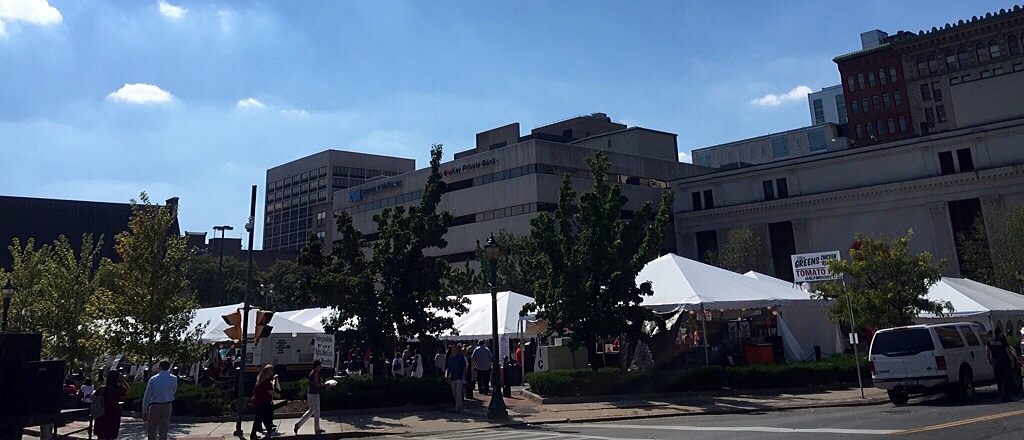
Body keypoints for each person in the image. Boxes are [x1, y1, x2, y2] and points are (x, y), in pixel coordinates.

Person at [142, 360, 178, 440]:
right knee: (164, 429)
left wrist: (144, 411)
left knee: (152, 429)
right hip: (167, 405)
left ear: (160, 367)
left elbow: (147, 395)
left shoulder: (153, 379)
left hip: (155, 405)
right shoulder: (174, 378)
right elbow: (173, 390)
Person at [92, 370, 129, 440]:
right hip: (114, 414)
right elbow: (128, 390)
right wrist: (123, 381)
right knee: (111, 435)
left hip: (102, 413)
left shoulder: (102, 389)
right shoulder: (119, 389)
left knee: (101, 435)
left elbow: (92, 397)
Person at [294, 360, 327, 435]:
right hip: (315, 393)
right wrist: (325, 385)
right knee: (317, 412)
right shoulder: (316, 373)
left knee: (311, 410)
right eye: (319, 366)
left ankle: (298, 424)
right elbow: (317, 384)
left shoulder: (311, 372)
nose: (320, 367)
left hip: (309, 393)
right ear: (317, 366)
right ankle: (317, 429)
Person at [250, 364, 280, 440]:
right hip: (263, 402)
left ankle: (269, 430)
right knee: (259, 418)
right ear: (268, 372)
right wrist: (277, 395)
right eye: (272, 370)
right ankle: (253, 434)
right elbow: (271, 391)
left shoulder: (260, 381)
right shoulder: (266, 382)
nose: (273, 372)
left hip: (259, 401)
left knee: (263, 417)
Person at [988, 327, 1018, 402]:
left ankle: (1001, 395)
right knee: (1006, 380)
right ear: (1000, 333)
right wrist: (1012, 360)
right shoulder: (1003, 340)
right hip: (1004, 362)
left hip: (995, 362)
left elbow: (988, 352)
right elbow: (1008, 351)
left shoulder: (990, 341)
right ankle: (1006, 397)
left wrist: (989, 360)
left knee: (999, 380)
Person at [446, 344, 467, 411]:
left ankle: (457, 407)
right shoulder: (450, 358)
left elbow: (464, 367)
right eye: (452, 349)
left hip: (459, 377)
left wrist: (463, 376)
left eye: (454, 349)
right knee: (454, 392)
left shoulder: (460, 357)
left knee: (458, 392)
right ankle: (459, 405)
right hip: (453, 377)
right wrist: (447, 375)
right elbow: (449, 368)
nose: (453, 350)